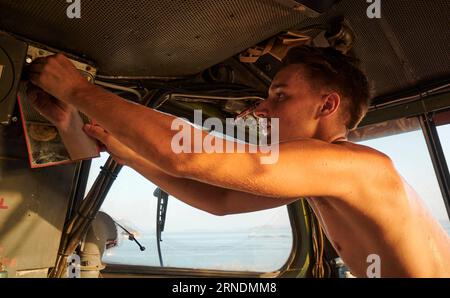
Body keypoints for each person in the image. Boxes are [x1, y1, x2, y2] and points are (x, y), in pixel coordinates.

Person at [27, 46, 450, 277]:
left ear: (328, 105)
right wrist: (134, 157)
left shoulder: (358, 166)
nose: (264, 109)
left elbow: (191, 154)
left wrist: (79, 91)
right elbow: (220, 200)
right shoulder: (324, 176)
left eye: (281, 95)